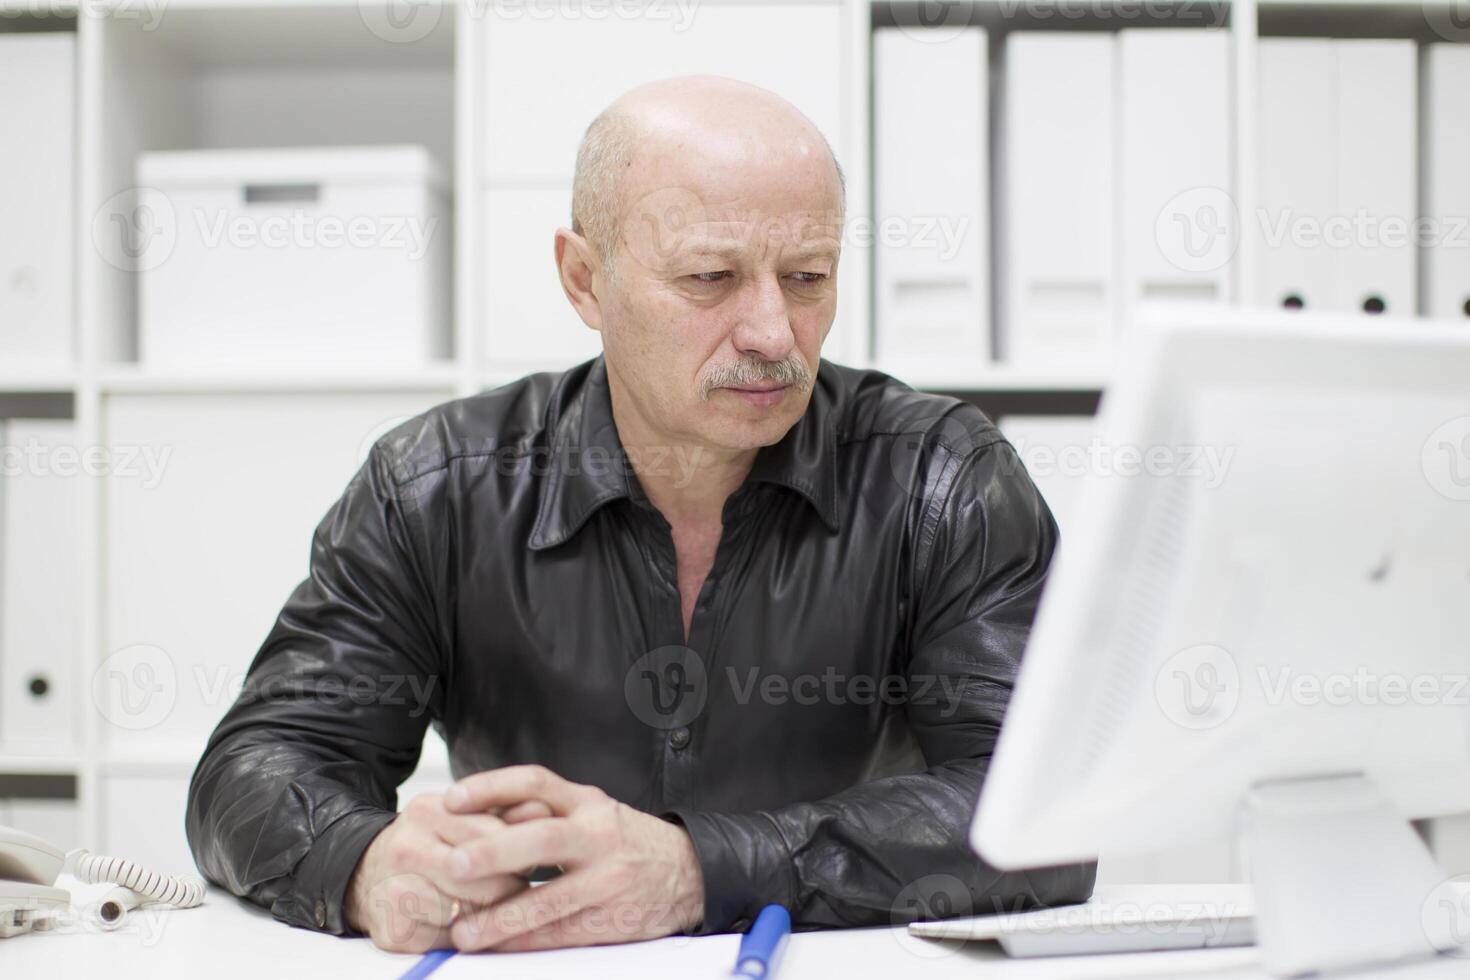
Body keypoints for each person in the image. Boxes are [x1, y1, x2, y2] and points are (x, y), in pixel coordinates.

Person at [185, 74, 1096, 955]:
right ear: (584, 279)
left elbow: (1040, 815)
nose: (774, 333)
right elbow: (255, 767)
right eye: (710, 278)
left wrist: (697, 868)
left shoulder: (944, 480)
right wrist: (366, 863)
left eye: (809, 276)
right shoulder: (433, 487)